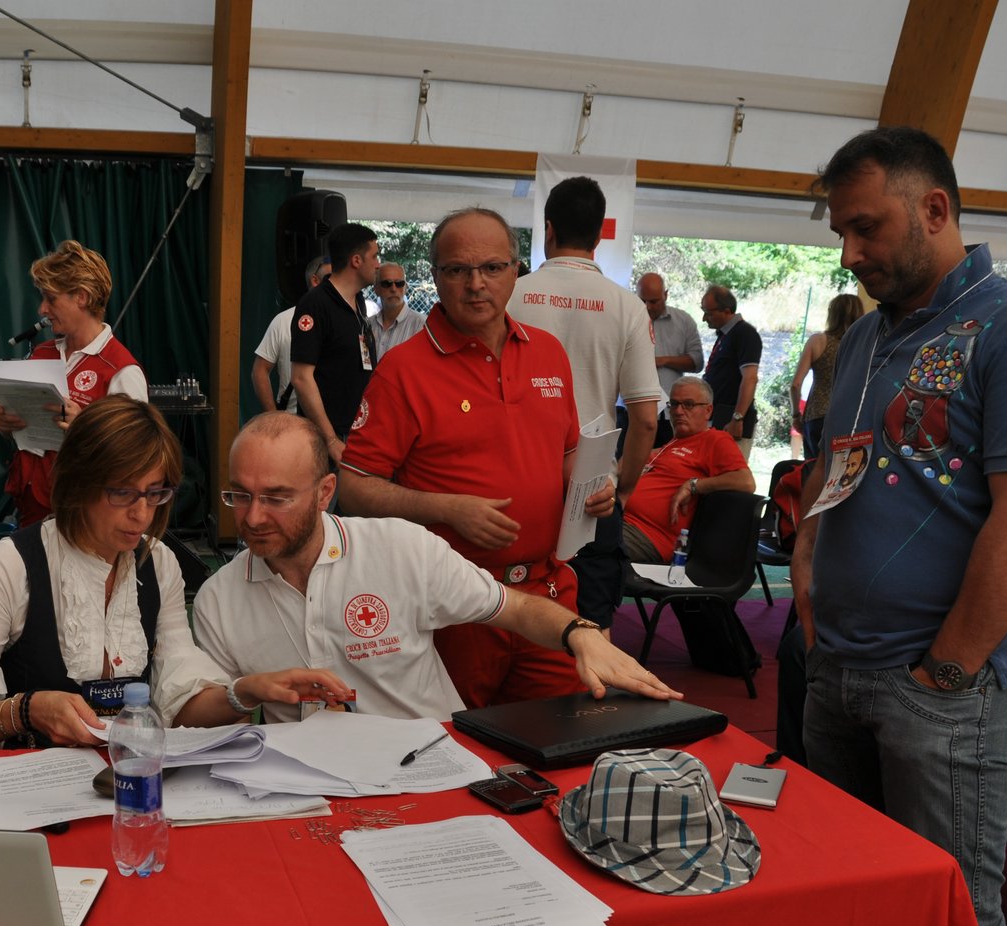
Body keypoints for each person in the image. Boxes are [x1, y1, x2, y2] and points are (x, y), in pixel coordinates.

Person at [791, 125, 1007, 926]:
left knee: (962, 916)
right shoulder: (873, 334)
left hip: (943, 692)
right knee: (855, 895)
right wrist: (807, 579)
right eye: (841, 231)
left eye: (867, 227)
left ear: (935, 209)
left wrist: (947, 672)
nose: (850, 253)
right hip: (838, 667)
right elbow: (832, 468)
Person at [0, 397, 346, 751]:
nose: (141, 513)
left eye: (155, 492)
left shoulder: (158, 562)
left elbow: (182, 704)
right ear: (79, 482)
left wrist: (247, 691)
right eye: (122, 492)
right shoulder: (13, 562)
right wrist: (25, 710)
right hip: (34, 792)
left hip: (127, 780)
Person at [195, 413, 680, 721]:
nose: (253, 517)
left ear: (325, 493)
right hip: (311, 792)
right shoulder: (219, 597)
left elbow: (516, 609)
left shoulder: (399, 548)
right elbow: (198, 718)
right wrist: (245, 692)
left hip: (428, 768)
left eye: (277, 497)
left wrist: (581, 632)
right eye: (240, 495)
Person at [340, 207, 617, 709]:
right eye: (457, 270)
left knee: (561, 740)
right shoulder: (403, 371)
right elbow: (354, 488)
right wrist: (447, 508)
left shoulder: (548, 353)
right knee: (457, 754)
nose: (476, 284)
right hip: (452, 602)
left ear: (516, 272)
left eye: (492, 268)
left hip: (548, 593)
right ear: (436, 277)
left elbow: (569, 454)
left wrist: (595, 486)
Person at [511, 175, 660, 627]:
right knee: (592, 625)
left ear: (548, 228)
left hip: (516, 481)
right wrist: (625, 488)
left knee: (508, 614)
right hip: (593, 491)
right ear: (599, 235)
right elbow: (646, 419)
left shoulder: (509, 295)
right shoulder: (626, 306)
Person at [0, 239, 147, 526]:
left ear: (82, 297)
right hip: (32, 508)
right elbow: (25, 433)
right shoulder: (41, 353)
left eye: (50, 299)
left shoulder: (121, 370)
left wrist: (84, 426)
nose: (42, 309)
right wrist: (7, 425)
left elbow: (135, 457)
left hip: (84, 516)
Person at [620, 376, 755, 563]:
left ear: (708, 411)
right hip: (621, 521)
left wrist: (693, 485)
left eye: (688, 404)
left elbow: (746, 482)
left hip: (649, 537)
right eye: (674, 404)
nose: (678, 411)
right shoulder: (671, 445)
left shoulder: (715, 440)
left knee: (585, 545)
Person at [291, 223, 379, 467]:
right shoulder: (315, 304)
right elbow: (301, 377)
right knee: (326, 504)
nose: (378, 264)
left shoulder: (359, 302)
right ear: (356, 260)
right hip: (329, 438)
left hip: (356, 433)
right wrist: (329, 439)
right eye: (375, 256)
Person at [789, 293, 865, 459]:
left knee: (813, 470)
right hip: (852, 419)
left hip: (817, 415)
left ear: (832, 314)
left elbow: (795, 385)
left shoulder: (818, 341)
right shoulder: (865, 346)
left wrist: (796, 415)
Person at [251, 255, 329, 414]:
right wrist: (273, 415)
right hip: (293, 420)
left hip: (337, 421)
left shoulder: (349, 321)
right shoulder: (284, 320)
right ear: (315, 281)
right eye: (330, 278)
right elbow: (259, 370)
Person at [637, 272, 704, 447]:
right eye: (643, 301)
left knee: (668, 464)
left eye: (654, 301)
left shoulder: (683, 321)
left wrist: (664, 361)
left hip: (670, 411)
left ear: (665, 295)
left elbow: (697, 362)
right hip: (633, 410)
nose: (648, 307)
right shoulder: (627, 320)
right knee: (628, 466)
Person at [699, 284, 763, 457]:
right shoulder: (726, 335)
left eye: (709, 312)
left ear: (726, 311)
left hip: (731, 418)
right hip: (719, 415)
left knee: (730, 474)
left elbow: (750, 378)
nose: (705, 318)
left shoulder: (744, 334)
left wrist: (737, 417)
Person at [367, 261, 425, 359]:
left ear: (405, 288)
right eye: (386, 284)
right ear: (376, 289)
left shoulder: (421, 326)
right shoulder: (368, 325)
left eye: (399, 283)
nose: (393, 289)